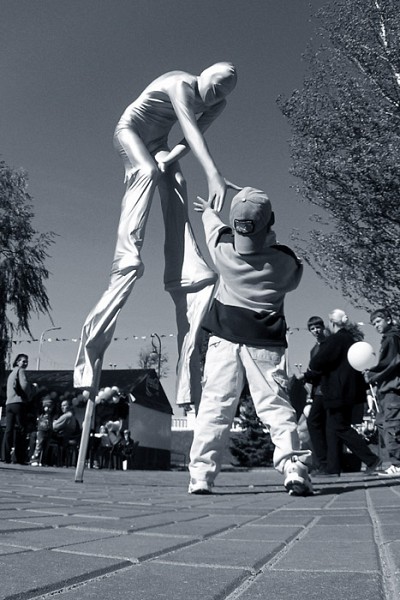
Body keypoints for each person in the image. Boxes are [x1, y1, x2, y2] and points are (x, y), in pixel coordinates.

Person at [74, 62, 240, 409]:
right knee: (147, 171)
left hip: (159, 144)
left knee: (176, 181)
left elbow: (188, 141)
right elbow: (190, 127)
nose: (212, 99)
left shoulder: (218, 103)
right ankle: (127, 254)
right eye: (212, 90)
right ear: (203, 77)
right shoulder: (181, 84)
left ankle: (185, 268)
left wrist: (172, 160)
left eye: (219, 96)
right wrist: (214, 173)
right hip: (130, 133)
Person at [188, 186, 313, 496]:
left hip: (223, 338)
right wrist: (267, 235)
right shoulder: (284, 261)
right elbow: (295, 277)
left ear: (235, 226)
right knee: (275, 406)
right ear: (272, 222)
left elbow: (214, 227)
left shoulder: (223, 250)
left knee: (215, 407)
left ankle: (201, 476)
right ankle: (293, 467)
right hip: (265, 342)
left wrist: (209, 212)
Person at [309, 309, 381, 476]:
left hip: (337, 391)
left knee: (339, 427)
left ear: (332, 323)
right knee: (332, 429)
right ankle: (332, 468)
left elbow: (317, 362)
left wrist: (312, 371)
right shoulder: (351, 339)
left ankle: (371, 459)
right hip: (350, 391)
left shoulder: (335, 340)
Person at [364, 308, 400, 477]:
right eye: (373, 323)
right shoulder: (389, 338)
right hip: (386, 389)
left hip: (392, 388)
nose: (376, 326)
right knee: (383, 423)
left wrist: (373, 374)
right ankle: (395, 461)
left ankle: (398, 463)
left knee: (392, 425)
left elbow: (392, 363)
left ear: (388, 319)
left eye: (378, 321)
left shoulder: (392, 338)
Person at [302, 316, 330, 473]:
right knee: (319, 424)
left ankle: (324, 463)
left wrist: (309, 375)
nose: (316, 331)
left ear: (323, 327)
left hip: (327, 390)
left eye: (318, 327)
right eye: (312, 329)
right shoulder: (313, 350)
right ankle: (324, 463)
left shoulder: (329, 345)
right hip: (317, 391)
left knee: (315, 422)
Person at [4, 354, 34, 464]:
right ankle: (19, 457)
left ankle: (5, 456)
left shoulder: (11, 373)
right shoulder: (21, 371)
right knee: (22, 430)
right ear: (17, 362)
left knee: (9, 430)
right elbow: (24, 385)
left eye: (26, 361)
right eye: (23, 361)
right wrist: (31, 391)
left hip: (9, 403)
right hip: (18, 402)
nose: (25, 363)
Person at [30, 395, 54, 467]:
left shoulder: (51, 416)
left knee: (46, 446)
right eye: (46, 407)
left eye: (50, 407)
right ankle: (35, 459)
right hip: (41, 430)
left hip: (48, 430)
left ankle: (43, 460)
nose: (48, 409)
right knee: (39, 445)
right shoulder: (41, 415)